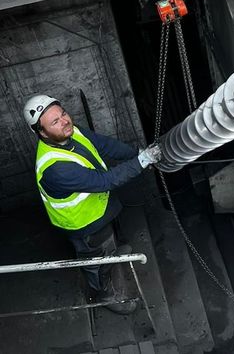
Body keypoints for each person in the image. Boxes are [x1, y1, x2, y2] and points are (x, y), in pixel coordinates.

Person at [24, 94, 162, 314]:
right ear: (41, 132)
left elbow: (104, 145)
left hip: (100, 209)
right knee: (97, 261)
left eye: (63, 114)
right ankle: (105, 294)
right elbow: (104, 181)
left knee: (110, 243)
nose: (65, 121)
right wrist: (142, 161)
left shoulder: (71, 132)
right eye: (55, 122)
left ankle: (115, 255)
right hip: (84, 223)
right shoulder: (55, 167)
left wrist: (135, 154)